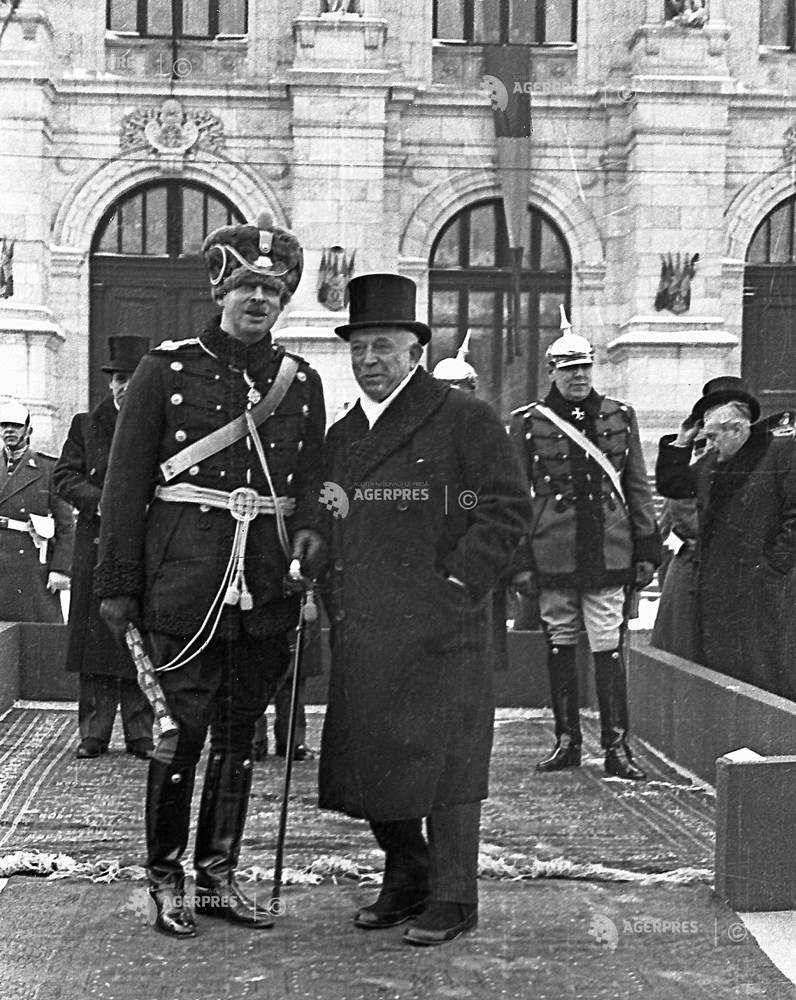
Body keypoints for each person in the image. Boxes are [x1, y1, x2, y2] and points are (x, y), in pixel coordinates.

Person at [94, 212, 326, 938]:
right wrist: (117, 584)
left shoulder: (302, 381)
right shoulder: (163, 372)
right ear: (221, 288)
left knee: (239, 732)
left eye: (275, 290)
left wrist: (315, 536)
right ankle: (166, 879)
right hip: (184, 581)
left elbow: (314, 482)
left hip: (264, 585)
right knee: (180, 733)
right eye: (249, 286)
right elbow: (123, 487)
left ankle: (220, 874)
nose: (260, 300)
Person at [318, 273, 530, 947]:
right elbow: (327, 508)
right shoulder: (345, 433)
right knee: (376, 760)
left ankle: (454, 896)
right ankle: (406, 873)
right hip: (366, 624)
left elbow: (504, 509)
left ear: (414, 350)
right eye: (360, 349)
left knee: (448, 765)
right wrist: (314, 556)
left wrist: (459, 586)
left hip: (445, 627)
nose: (370, 360)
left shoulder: (464, 417)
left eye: (383, 346)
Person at [510, 308, 661, 781]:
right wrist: (520, 561)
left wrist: (647, 548)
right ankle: (567, 741)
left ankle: (617, 748)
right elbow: (517, 496)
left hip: (610, 549)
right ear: (552, 371)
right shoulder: (529, 422)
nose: (578, 376)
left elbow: (635, 484)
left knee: (606, 645)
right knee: (560, 641)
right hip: (553, 550)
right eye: (568, 368)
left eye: (584, 367)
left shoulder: (620, 416)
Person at [656, 376, 796, 700]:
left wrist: (775, 565)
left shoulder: (781, 453)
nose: (710, 443)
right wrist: (681, 443)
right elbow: (674, 486)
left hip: (761, 587)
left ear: (737, 429)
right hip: (717, 588)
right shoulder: (710, 464)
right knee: (723, 674)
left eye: (715, 435)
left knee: (764, 672)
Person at [54, 336, 155, 760]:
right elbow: (63, 477)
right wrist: (102, 501)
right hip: (95, 546)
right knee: (95, 642)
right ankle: (93, 732)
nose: (121, 387)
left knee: (139, 637)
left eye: (130, 378)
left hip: (143, 546)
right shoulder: (84, 425)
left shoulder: (159, 425)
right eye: (116, 378)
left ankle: (140, 732)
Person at [0, 399, 74, 622]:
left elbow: (66, 525)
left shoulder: (48, 469)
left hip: (32, 564)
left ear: (28, 430)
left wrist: (61, 569)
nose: (9, 430)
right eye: (4, 425)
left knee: (37, 638)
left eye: (16, 425)